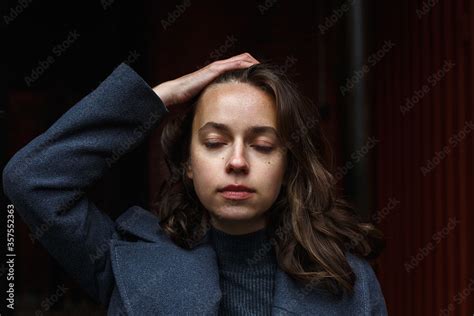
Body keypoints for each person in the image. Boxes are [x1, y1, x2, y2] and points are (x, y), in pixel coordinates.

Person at [3, 53, 388, 315]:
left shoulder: (346, 282)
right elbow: (33, 179)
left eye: (262, 145)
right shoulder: (128, 261)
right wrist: (159, 96)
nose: (237, 162)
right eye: (215, 143)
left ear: (287, 164)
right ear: (188, 163)